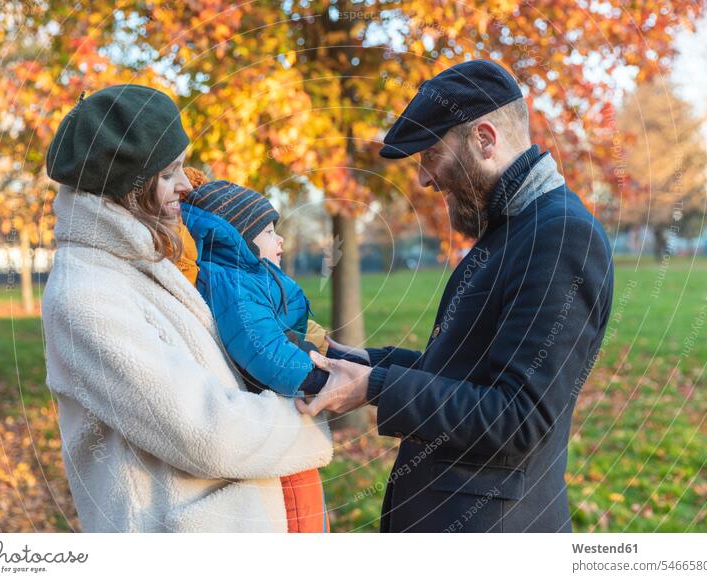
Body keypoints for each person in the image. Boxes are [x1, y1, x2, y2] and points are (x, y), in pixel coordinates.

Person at [298, 60, 615, 533]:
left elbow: (517, 418)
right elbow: (465, 368)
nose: (424, 178)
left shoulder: (563, 237)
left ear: (485, 139)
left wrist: (375, 388)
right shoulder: (510, 230)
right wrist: (360, 361)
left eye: (430, 155)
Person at [41, 84, 332, 532]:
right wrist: (317, 411)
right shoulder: (88, 297)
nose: (185, 184)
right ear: (123, 190)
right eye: (167, 172)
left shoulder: (154, 261)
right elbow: (205, 431)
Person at [177, 177, 368, 532]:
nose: (279, 239)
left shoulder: (250, 277)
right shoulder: (233, 284)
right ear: (238, 237)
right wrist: (321, 378)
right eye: (267, 231)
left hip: (285, 426)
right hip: (279, 433)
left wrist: (337, 354)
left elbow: (286, 329)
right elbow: (263, 349)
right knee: (301, 517)